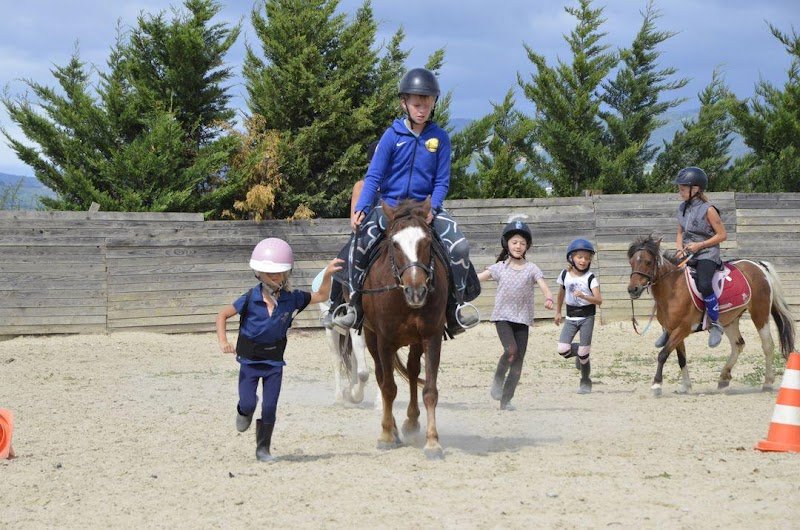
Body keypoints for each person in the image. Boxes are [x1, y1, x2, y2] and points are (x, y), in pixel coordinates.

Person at [331, 67, 480, 335]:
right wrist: (362, 209)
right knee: (357, 247)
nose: (422, 109)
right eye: (416, 104)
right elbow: (374, 175)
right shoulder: (391, 136)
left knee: (459, 248)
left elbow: (442, 181)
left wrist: (432, 208)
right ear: (404, 104)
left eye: (427, 103)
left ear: (434, 103)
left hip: (425, 208)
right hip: (390, 207)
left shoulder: (440, 138)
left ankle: (455, 308)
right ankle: (354, 307)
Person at [216, 238, 342, 462]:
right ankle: (245, 409)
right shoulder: (249, 298)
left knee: (270, 406)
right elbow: (222, 315)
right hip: (249, 361)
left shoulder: (292, 299)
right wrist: (223, 341)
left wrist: (328, 274)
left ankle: (263, 449)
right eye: (269, 273)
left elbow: (322, 295)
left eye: (279, 273)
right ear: (258, 274)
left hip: (274, 363)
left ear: (287, 273)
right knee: (247, 402)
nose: (275, 277)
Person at [476, 220, 554, 411]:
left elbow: (543, 285)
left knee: (518, 362)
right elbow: (477, 278)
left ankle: (506, 400)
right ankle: (497, 382)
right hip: (503, 317)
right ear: (507, 244)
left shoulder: (532, 268)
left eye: (522, 243)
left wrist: (549, 297)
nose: (518, 246)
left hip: (523, 319)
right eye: (514, 242)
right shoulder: (500, 268)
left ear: (527, 246)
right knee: (511, 351)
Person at [672, 166, 727, 348]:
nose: (679, 191)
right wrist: (679, 249)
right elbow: (679, 233)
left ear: (695, 189)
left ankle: (716, 323)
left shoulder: (709, 209)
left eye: (682, 188)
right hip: (688, 253)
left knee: (704, 284)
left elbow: (722, 235)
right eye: (679, 187)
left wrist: (700, 245)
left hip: (707, 253)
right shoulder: (682, 208)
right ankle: (670, 325)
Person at [554, 239, 603, 394]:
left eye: (587, 258)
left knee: (583, 354)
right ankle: (582, 353)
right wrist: (558, 311)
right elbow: (561, 293)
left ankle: (585, 381)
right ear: (571, 257)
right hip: (570, 316)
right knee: (563, 349)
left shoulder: (590, 278)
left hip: (587, 317)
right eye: (580, 257)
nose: (583, 261)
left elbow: (599, 300)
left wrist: (584, 296)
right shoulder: (564, 275)